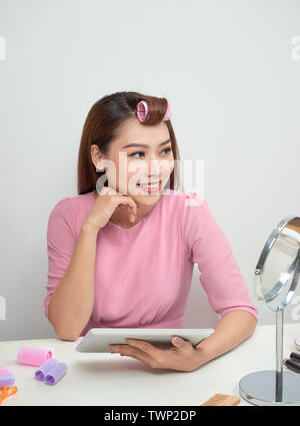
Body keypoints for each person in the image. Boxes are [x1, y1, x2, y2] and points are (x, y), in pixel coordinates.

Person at [44, 91, 258, 372]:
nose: (157, 169)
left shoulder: (188, 210)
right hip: (90, 369)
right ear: (99, 157)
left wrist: (198, 356)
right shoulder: (68, 216)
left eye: (165, 151)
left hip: (165, 372)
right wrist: (91, 227)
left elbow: (241, 311)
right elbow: (68, 328)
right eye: (137, 154)